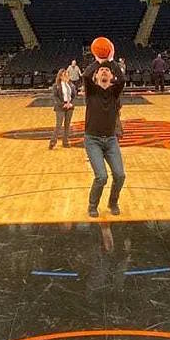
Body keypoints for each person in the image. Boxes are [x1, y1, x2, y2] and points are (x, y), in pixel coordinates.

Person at [83, 47, 126, 218]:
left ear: (111, 76)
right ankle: (92, 205)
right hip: (92, 140)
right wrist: (98, 61)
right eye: (101, 70)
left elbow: (121, 78)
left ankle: (113, 202)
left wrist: (110, 60)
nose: (104, 72)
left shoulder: (115, 92)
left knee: (120, 175)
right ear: (96, 76)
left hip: (110, 140)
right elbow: (86, 75)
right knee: (101, 176)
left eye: (107, 71)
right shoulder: (91, 91)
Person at [49, 69, 76, 149]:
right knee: (59, 125)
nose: (67, 76)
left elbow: (74, 96)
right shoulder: (56, 85)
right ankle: (53, 142)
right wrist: (62, 104)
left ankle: (65, 141)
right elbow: (55, 97)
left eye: (67, 75)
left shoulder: (71, 85)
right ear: (60, 76)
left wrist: (71, 103)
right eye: (65, 75)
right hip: (60, 107)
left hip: (70, 107)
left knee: (67, 125)